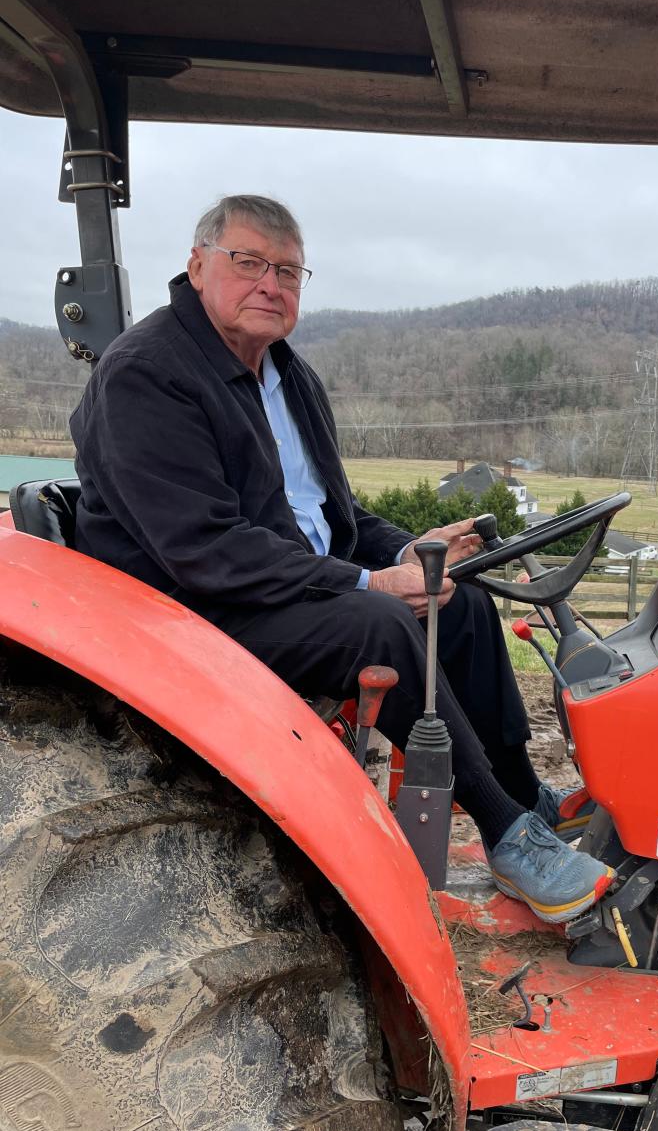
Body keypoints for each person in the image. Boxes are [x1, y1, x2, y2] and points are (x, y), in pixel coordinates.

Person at [70, 194, 613, 923]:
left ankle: (526, 796)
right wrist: (369, 580)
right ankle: (505, 834)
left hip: (282, 587)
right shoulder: (148, 375)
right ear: (197, 266)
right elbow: (207, 548)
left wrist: (410, 553)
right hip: (189, 612)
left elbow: (336, 517)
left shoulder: (289, 376)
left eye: (289, 271)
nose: (271, 284)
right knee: (383, 624)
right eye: (249, 262)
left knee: (467, 608)